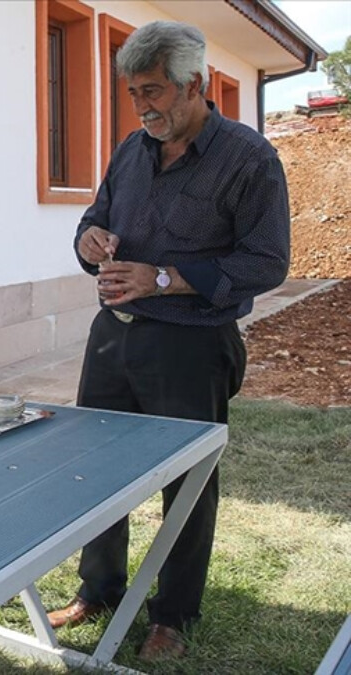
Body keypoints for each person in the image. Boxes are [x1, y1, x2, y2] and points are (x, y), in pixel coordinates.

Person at [50, 21, 290, 661]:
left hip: (192, 346)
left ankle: (172, 616)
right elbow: (96, 215)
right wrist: (89, 240)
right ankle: (99, 590)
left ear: (194, 84)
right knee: (98, 470)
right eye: (133, 93)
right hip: (113, 337)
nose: (142, 106)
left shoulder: (250, 159)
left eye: (153, 91)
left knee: (186, 483)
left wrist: (163, 278)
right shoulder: (131, 150)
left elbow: (268, 261)